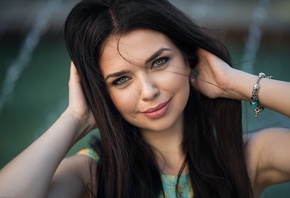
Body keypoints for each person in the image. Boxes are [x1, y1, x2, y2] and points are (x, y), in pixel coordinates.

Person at [0, 0, 290, 197]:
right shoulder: (93, 173)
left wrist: (237, 83)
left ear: (188, 58)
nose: (149, 91)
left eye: (159, 62)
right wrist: (75, 118)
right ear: (104, 92)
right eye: (121, 80)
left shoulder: (247, 157)